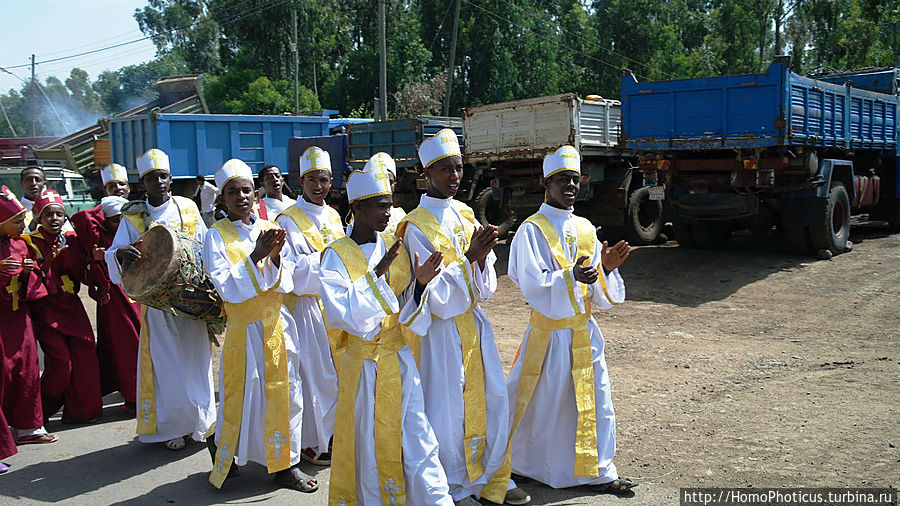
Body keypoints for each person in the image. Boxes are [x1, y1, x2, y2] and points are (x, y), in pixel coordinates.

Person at [398, 129, 529, 506]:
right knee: (447, 408)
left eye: (458, 168)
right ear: (427, 173)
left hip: (473, 325)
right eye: (445, 169)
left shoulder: (466, 212)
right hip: (440, 333)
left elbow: (486, 285)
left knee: (488, 400)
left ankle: (489, 476)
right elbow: (434, 296)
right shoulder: (415, 226)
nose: (455, 176)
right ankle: (454, 483)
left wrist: (481, 261)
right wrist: (470, 258)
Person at [504, 145, 637, 494]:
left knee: (595, 402)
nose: (571, 186)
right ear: (546, 183)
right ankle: (524, 465)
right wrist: (570, 277)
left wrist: (605, 269)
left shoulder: (585, 228)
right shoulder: (532, 230)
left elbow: (597, 292)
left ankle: (598, 470)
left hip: (582, 332)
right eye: (563, 179)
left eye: (575, 179)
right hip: (548, 335)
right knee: (542, 404)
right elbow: (531, 283)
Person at [322, 154, 452, 505]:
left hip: (399, 360)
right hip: (364, 368)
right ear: (358, 208)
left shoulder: (393, 247)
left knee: (418, 436)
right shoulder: (335, 255)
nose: (388, 213)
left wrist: (420, 285)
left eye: (390, 205)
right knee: (369, 442)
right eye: (381, 206)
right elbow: (342, 315)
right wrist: (376, 275)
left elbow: (404, 307)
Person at [203, 159, 316, 492]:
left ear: (256, 194)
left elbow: (289, 278)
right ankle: (221, 443)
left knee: (288, 393)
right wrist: (255, 256)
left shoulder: (268, 228)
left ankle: (286, 465)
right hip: (246, 331)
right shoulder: (216, 235)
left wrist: (276, 257)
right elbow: (225, 285)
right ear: (223, 198)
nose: (241, 197)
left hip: (277, 325)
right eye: (232, 192)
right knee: (244, 396)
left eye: (246, 190)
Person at [105, 148, 215, 451]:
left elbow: (206, 244)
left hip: (191, 299)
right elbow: (114, 252)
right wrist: (119, 254)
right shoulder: (133, 216)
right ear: (143, 183)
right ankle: (173, 428)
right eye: (152, 178)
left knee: (197, 361)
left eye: (163, 176)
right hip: (158, 304)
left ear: (170, 178)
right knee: (167, 366)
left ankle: (201, 424)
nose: (159, 182)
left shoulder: (187, 207)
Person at [276, 146, 344, 466]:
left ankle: (336, 432)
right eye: (312, 179)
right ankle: (314, 441)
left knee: (338, 372)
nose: (319, 186)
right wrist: (326, 262)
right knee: (315, 377)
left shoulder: (333, 215)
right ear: (300, 181)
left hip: (336, 305)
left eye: (324, 179)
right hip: (306, 309)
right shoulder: (288, 220)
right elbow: (289, 272)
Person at [28, 189, 103, 425]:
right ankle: (37, 414)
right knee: (61, 362)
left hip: (71, 307)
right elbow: (27, 279)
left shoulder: (71, 241)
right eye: (48, 214)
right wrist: (46, 264)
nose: (54, 219)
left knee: (86, 354)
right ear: (39, 217)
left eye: (59, 214)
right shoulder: (29, 243)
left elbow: (83, 271)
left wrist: (94, 260)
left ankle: (80, 411)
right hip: (46, 310)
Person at [70, 164, 140, 413]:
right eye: (111, 186)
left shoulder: (140, 214)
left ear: (129, 187)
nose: (117, 189)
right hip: (117, 296)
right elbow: (83, 221)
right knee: (126, 345)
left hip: (143, 292)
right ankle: (133, 395)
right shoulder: (98, 229)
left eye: (121, 185)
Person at [0, 186, 57, 446]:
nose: (23, 225)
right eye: (17, 221)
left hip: (19, 318)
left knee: (28, 369)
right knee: (4, 373)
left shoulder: (22, 244)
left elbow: (34, 280)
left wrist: (27, 271)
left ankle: (29, 426)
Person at [345, 153, 406, 237]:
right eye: (381, 206)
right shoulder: (360, 218)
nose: (386, 187)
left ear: (395, 186)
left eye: (389, 182)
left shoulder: (401, 216)